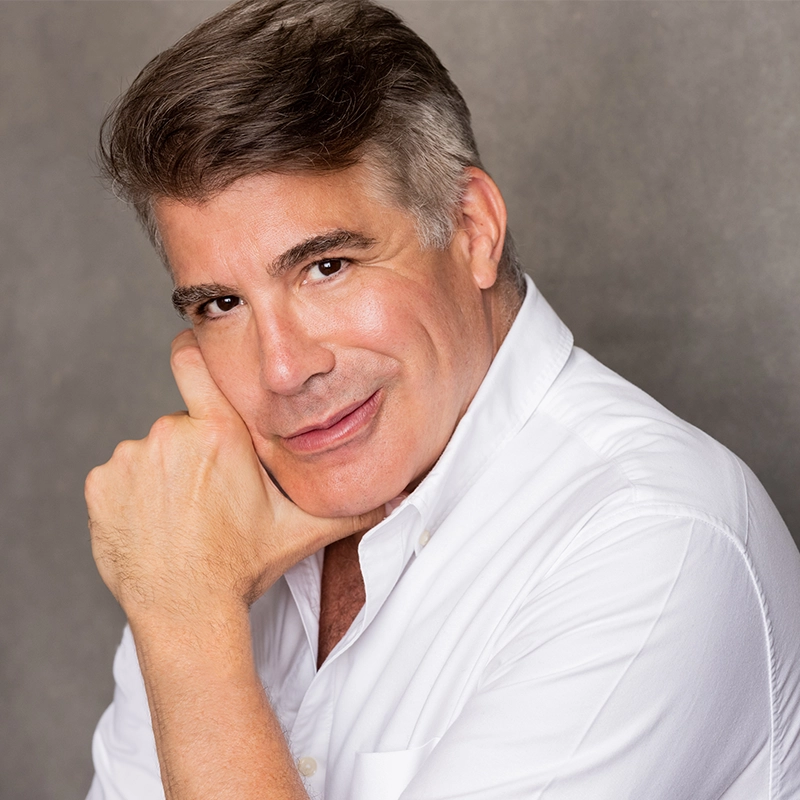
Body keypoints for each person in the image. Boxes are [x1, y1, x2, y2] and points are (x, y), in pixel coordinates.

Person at [84, 0, 800, 798]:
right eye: (221, 304)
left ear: (472, 228)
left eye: (327, 267)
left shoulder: (657, 539)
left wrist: (187, 619)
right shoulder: (200, 534)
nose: (282, 369)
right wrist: (189, 598)